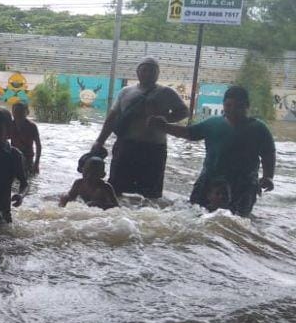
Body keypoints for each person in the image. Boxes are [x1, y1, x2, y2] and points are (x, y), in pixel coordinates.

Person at [149, 85, 275, 216]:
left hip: (243, 184)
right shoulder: (213, 124)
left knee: (236, 222)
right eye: (228, 106)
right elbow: (189, 133)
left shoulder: (258, 128)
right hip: (209, 181)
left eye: (239, 106)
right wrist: (164, 127)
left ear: (247, 107)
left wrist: (268, 177)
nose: (233, 110)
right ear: (223, 105)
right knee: (195, 215)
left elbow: (268, 154)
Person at [92, 56, 188, 198]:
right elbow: (111, 119)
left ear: (158, 74)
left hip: (154, 148)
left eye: (152, 71)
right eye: (145, 70)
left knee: (151, 193)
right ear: (138, 72)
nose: (148, 73)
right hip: (126, 146)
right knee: (115, 190)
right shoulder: (125, 92)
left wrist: (164, 120)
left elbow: (184, 112)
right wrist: (99, 142)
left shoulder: (167, 92)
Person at [10, 101, 41, 175]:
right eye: (16, 112)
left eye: (21, 112)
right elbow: (2, 140)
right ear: (12, 113)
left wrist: (36, 164)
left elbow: (38, 145)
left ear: (27, 113)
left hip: (28, 159)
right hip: (13, 158)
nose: (18, 114)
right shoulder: (10, 125)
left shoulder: (32, 127)